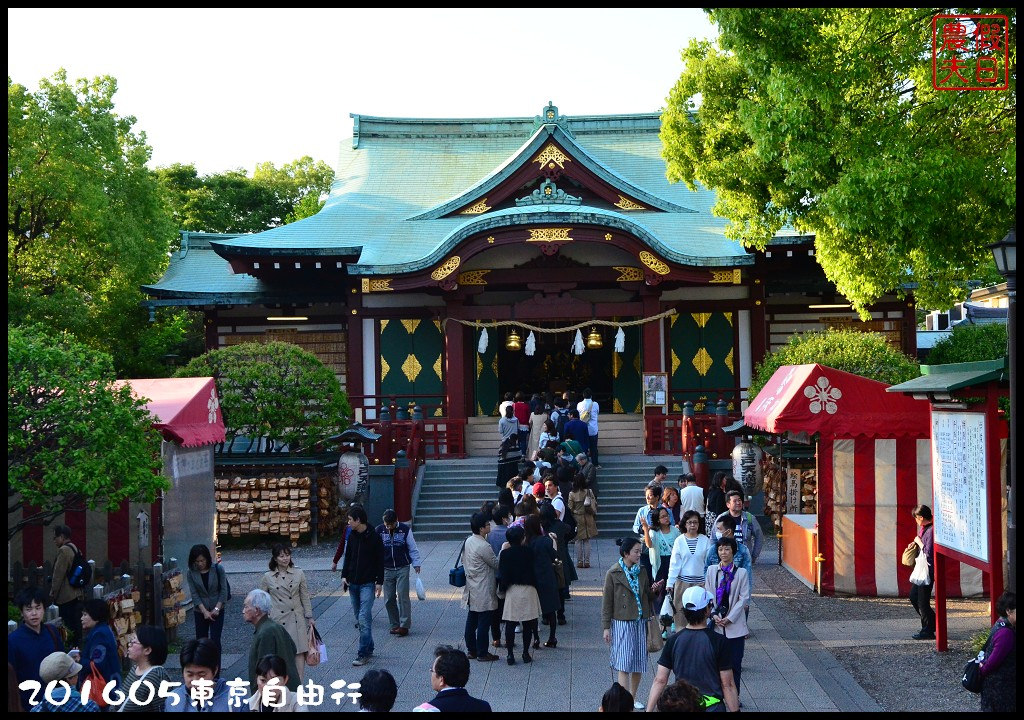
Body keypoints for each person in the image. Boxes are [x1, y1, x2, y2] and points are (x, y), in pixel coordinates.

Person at [645, 586, 738, 712]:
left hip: (683, 706)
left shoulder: (673, 641)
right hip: (712, 707)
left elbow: (660, 680)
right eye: (710, 605)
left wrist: (648, 710)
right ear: (707, 611)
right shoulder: (720, 642)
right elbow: (728, 684)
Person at [602, 537, 664, 710]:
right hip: (622, 622)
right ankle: (623, 701)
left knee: (638, 663)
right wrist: (606, 627)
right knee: (624, 663)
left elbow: (647, 596)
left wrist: (655, 590)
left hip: (640, 621)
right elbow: (607, 602)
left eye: (640, 551)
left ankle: (632, 697)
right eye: (636, 551)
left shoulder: (642, 570)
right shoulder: (613, 573)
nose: (639, 554)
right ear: (625, 553)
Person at [259, 544, 314, 680]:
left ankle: (300, 683)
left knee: (300, 650)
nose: (285, 559)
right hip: (278, 619)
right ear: (275, 558)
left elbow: (304, 596)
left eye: (287, 555)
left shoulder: (299, 573)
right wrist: (263, 619)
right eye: (281, 556)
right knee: (281, 652)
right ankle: (283, 682)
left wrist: (309, 615)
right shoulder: (268, 577)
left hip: (296, 617)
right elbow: (261, 599)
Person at [705, 537, 750, 696]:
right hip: (716, 625)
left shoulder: (741, 573)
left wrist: (730, 618)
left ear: (733, 551)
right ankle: (717, 695)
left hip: (735, 625)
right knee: (715, 664)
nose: (723, 553)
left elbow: (743, 598)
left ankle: (734, 696)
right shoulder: (711, 570)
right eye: (720, 549)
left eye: (727, 549)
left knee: (735, 665)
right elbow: (709, 594)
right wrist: (714, 615)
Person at [342, 505, 385, 666]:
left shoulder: (374, 537)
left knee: (363, 617)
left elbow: (380, 561)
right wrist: (344, 575)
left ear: (358, 520)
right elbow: (348, 557)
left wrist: (379, 582)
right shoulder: (352, 535)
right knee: (360, 617)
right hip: (353, 582)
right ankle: (370, 645)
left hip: (368, 582)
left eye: (350, 520)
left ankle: (363, 653)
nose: (348, 523)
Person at [8, 587, 64, 710]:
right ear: (22, 612)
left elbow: (62, 662)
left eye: (38, 608)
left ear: (44, 609)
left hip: (56, 699)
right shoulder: (13, 640)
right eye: (29, 609)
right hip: (28, 703)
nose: (34, 613)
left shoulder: (52, 632)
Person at [498, 526, 541, 664]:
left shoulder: (505, 554)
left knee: (510, 624)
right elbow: (536, 571)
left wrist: (502, 590)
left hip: (512, 590)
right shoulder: (530, 552)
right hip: (529, 589)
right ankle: (525, 653)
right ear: (523, 538)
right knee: (528, 624)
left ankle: (510, 654)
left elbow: (503, 575)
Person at [243, 588, 300, 692]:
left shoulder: (265, 632)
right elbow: (293, 648)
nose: (243, 611)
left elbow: (263, 668)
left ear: (257, 610)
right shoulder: (273, 626)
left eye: (246, 607)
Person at [377, 509, 422, 638]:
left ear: (396, 521)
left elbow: (412, 547)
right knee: (389, 598)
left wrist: (416, 563)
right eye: (386, 525)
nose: (388, 527)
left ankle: (404, 625)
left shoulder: (405, 530)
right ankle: (394, 624)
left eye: (390, 524)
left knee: (403, 595)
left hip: (402, 567)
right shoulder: (379, 530)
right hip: (386, 568)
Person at [463, 511, 500, 662]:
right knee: (484, 622)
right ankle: (482, 652)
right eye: (486, 524)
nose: (489, 526)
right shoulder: (484, 546)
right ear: (481, 529)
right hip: (483, 587)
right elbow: (495, 564)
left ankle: (471, 649)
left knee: (471, 620)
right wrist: (503, 551)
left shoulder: (469, 541)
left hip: (472, 586)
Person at [164, 638, 238, 712]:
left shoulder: (234, 700)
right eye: (190, 675)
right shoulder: (173, 700)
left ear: (215, 670)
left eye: (202, 675)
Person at [667, 510, 712, 629]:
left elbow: (709, 563)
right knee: (681, 611)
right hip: (683, 582)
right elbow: (674, 564)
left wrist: (709, 581)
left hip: (701, 583)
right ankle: (681, 634)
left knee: (701, 611)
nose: (693, 525)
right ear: (685, 524)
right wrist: (670, 583)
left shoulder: (705, 540)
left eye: (695, 522)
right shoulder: (679, 541)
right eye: (690, 522)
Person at [414, 645, 492, 712]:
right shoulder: (483, 707)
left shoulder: (427, 710)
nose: (431, 674)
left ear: (441, 679)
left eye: (432, 671)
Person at [525, 514, 561, 648]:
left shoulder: (526, 542)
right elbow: (554, 556)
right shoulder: (545, 541)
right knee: (551, 609)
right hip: (547, 576)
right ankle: (552, 637)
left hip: (531, 579)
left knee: (533, 610)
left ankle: (536, 637)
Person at [118, 625, 172, 712]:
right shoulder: (134, 669)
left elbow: (164, 709)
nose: (129, 645)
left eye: (133, 642)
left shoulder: (158, 677)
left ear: (147, 650)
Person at [979, 590, 1015, 712]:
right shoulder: (1006, 633)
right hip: (1000, 687)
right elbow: (993, 661)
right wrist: (983, 670)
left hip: (997, 686)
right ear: (1009, 611)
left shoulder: (1000, 624)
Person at [186, 543, 229, 646]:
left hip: (217, 608)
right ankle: (202, 662)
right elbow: (194, 593)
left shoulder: (218, 569)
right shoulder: (191, 572)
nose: (200, 564)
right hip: (200, 610)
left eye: (202, 560)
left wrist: (217, 608)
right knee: (201, 641)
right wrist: (204, 611)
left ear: (207, 559)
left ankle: (216, 662)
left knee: (215, 640)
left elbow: (224, 590)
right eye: (197, 561)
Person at [540, 502, 576, 623]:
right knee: (560, 588)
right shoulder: (559, 525)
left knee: (546, 589)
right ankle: (560, 615)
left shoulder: (541, 527)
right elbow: (570, 529)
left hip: (545, 560)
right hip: (559, 559)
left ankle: (546, 615)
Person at [30, 651, 99, 713]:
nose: (78, 677)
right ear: (69, 679)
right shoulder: (90, 707)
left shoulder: (36, 710)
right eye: (76, 674)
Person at [50, 525, 83, 646]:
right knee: (75, 623)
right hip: (77, 593)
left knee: (66, 625)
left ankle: (69, 647)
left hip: (66, 595)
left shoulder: (64, 550)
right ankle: (76, 645)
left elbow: (58, 574)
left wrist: (53, 592)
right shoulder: (75, 548)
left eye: (55, 538)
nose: (54, 541)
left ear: (62, 537)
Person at [79, 598, 121, 691]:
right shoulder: (104, 629)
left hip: (104, 689)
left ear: (95, 616)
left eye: (85, 615)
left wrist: (79, 660)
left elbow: (97, 664)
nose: (81, 618)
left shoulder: (99, 634)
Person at [908, 504, 936, 640]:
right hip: (922, 569)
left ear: (921, 517)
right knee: (914, 597)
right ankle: (933, 623)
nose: (916, 521)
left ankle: (928, 630)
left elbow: (929, 552)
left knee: (922, 602)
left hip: (928, 570)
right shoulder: (925, 528)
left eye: (916, 518)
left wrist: (918, 542)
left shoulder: (931, 530)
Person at [647, 507, 681, 617]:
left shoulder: (675, 531)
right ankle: (662, 616)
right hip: (660, 562)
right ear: (657, 520)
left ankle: (674, 616)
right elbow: (649, 545)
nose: (666, 518)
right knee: (660, 590)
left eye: (667, 515)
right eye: (662, 517)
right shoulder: (654, 532)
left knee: (674, 589)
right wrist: (645, 529)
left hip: (673, 561)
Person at [715, 491, 763, 565]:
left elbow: (759, 536)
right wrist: (715, 556)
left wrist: (754, 556)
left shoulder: (749, 518)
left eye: (739, 500)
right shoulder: (721, 518)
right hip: (724, 559)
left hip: (744, 559)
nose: (738, 503)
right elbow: (713, 538)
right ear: (728, 504)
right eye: (735, 501)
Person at [488, 504, 513, 649]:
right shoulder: (510, 533)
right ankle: (509, 636)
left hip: (493, 575)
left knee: (495, 609)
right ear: (504, 519)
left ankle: (496, 637)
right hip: (508, 575)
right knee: (509, 607)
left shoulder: (489, 535)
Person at [567, 474, 598, 568]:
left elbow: (570, 507)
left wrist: (575, 511)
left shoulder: (572, 494)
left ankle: (580, 561)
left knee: (578, 540)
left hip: (577, 518)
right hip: (588, 516)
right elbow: (594, 503)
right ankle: (587, 561)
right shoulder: (589, 491)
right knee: (587, 540)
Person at [497, 405, 523, 488]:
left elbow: (500, 431)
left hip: (505, 441)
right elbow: (518, 428)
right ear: (513, 411)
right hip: (514, 441)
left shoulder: (502, 420)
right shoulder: (516, 420)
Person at [577, 387, 600, 467]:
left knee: (584, 448)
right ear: (591, 396)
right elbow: (597, 413)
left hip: (583, 429)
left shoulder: (579, 404)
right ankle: (595, 464)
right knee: (594, 448)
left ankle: (585, 464)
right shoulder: (595, 404)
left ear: (583, 395)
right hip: (593, 429)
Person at [705, 472, 727, 541]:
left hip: (709, 517)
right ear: (720, 480)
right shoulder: (720, 493)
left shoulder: (711, 491)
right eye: (724, 479)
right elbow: (719, 509)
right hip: (716, 518)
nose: (726, 480)